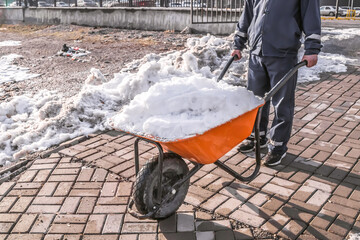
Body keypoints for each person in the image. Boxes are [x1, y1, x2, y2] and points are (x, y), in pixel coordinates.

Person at [232, 0, 322, 167]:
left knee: (282, 103)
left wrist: (312, 49)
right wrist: (238, 43)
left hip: (283, 54)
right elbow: (247, 16)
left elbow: (311, 18)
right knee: (255, 100)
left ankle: (278, 146)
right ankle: (257, 136)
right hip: (257, 54)